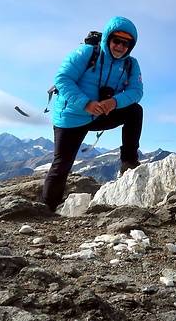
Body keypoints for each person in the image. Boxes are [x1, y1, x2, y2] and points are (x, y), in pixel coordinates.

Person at [42, 16, 144, 212]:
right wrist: (86, 103)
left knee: (134, 111)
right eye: (116, 41)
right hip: (72, 116)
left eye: (126, 43)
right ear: (107, 39)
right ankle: (48, 208)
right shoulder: (87, 52)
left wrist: (114, 102)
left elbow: (136, 91)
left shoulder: (131, 64)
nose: (120, 46)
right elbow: (63, 79)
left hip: (100, 113)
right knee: (62, 164)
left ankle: (129, 161)